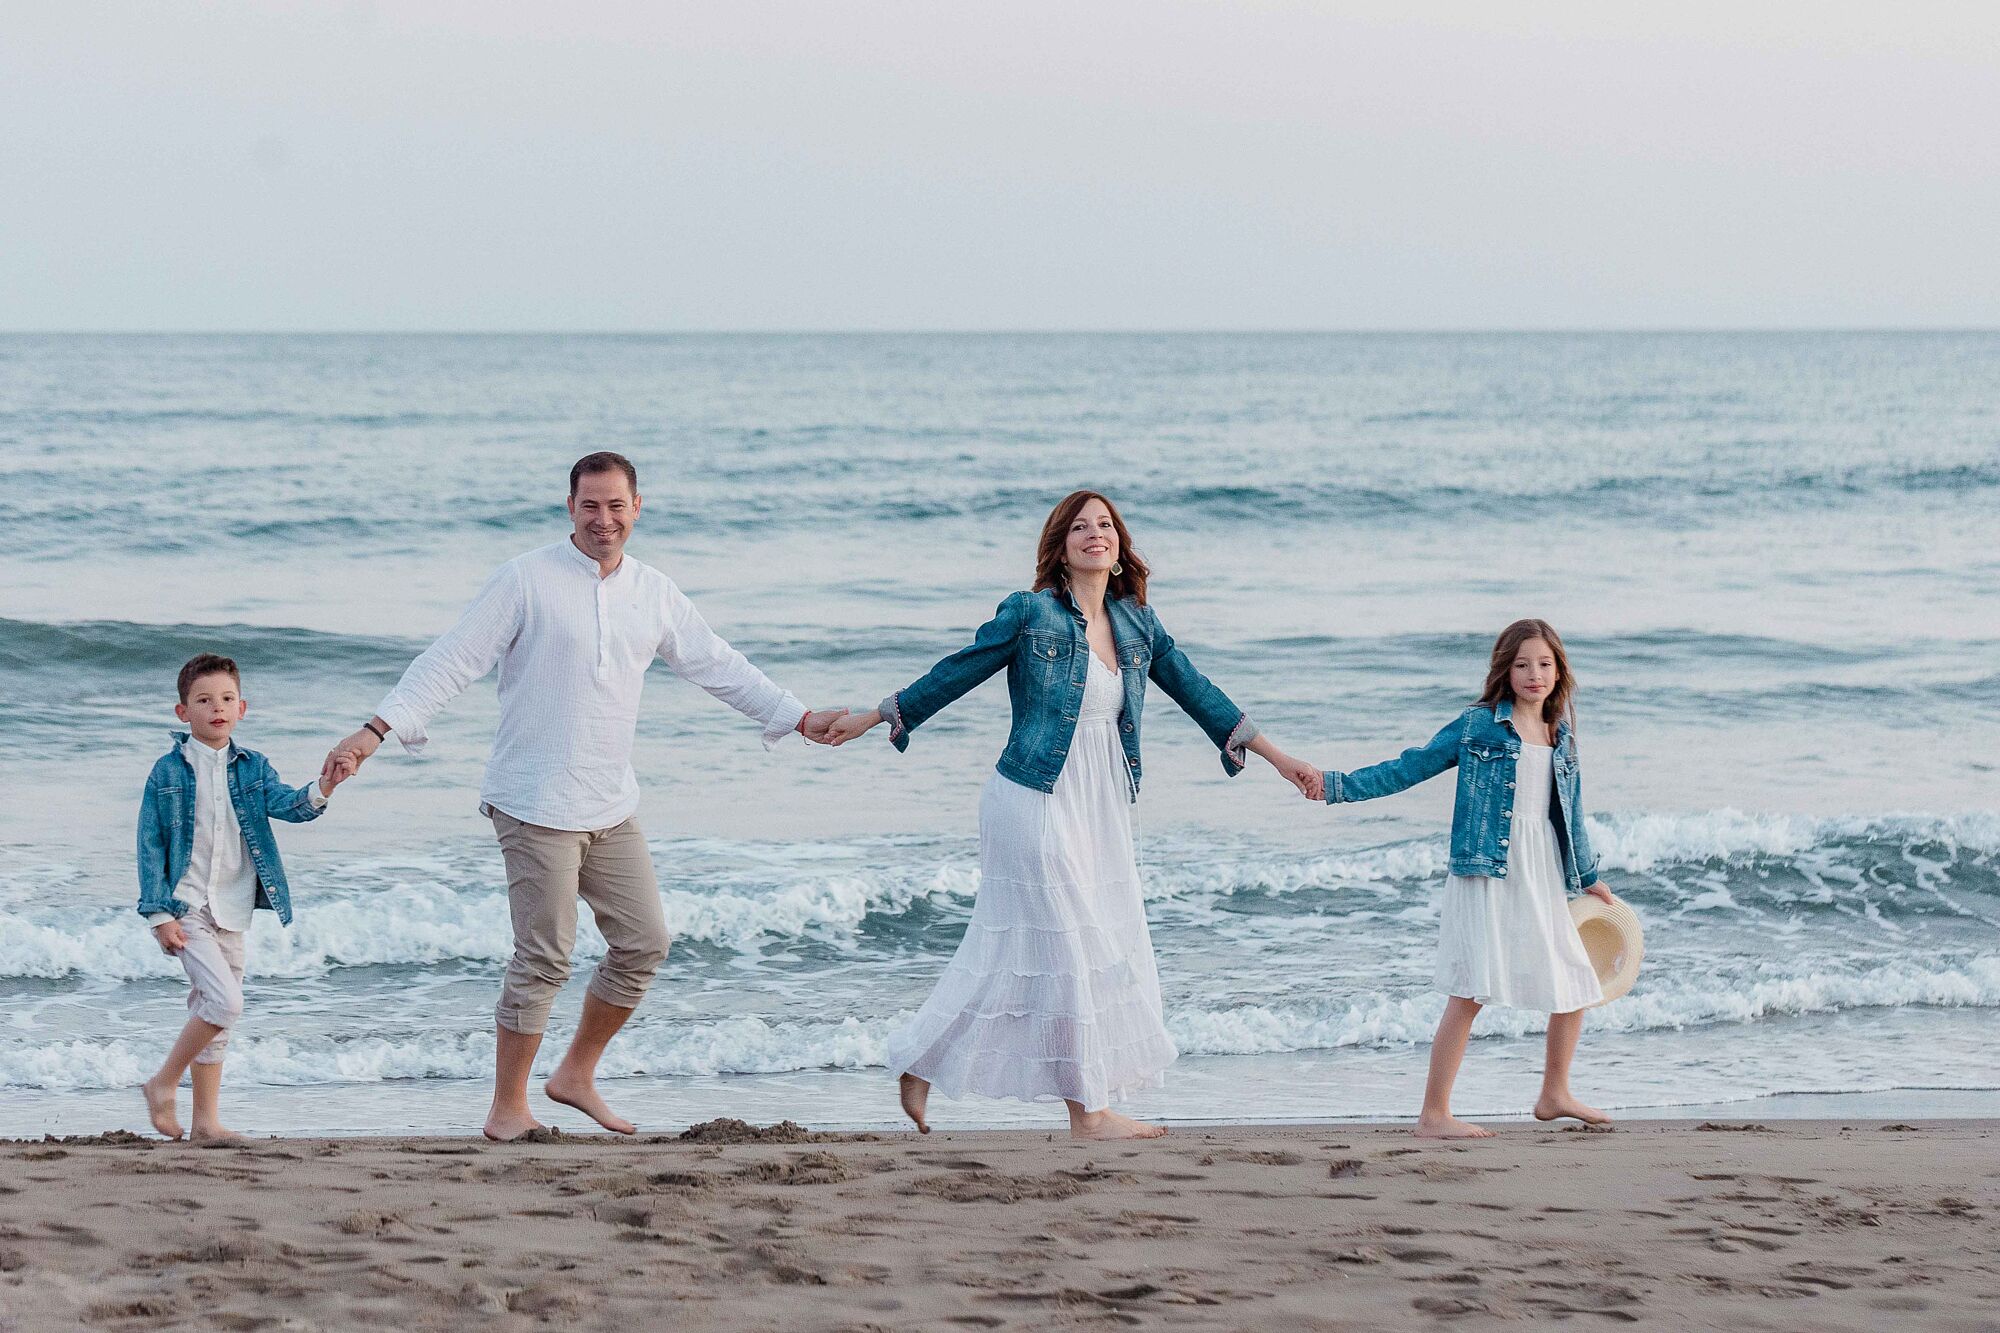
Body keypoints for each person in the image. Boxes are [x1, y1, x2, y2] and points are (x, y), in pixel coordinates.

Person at [323, 452, 847, 1141]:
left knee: (644, 941)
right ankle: (507, 1108)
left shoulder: (654, 592)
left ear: (637, 508)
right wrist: (373, 732)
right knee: (544, 956)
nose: (604, 519)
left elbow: (717, 664)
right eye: (591, 506)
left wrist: (797, 717)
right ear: (570, 507)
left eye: (616, 506)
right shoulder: (524, 579)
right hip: (533, 801)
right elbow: (451, 660)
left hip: (610, 804)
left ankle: (575, 1074)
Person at [825, 490, 1322, 1140]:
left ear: (1119, 547)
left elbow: (1200, 692)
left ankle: (923, 1059)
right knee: (1069, 948)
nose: (1096, 533)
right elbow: (958, 672)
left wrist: (1279, 758)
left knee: (1020, 948)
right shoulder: (1030, 613)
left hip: (1100, 802)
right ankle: (1089, 1113)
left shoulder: (1138, 623)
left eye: (1106, 525)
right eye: (1081, 526)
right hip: (1032, 794)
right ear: (1060, 546)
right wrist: (877, 715)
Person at [1316, 618, 1614, 1138]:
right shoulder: (1479, 725)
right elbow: (1411, 766)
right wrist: (1336, 786)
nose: (1534, 674)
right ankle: (1434, 1113)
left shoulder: (1561, 737)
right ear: (1505, 671)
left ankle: (1554, 1093)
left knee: (1574, 978)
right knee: (1471, 989)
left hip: (1541, 867)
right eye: (1522, 664)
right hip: (1486, 867)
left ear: (1559, 671)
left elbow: (1572, 813)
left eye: (1545, 664)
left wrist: (1588, 875)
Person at [138, 653, 356, 1141]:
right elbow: (149, 843)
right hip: (184, 906)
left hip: (234, 909)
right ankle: (162, 1083)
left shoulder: (253, 767)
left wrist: (325, 785)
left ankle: (205, 1123)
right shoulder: (167, 772)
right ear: (182, 712)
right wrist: (158, 913)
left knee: (213, 1009)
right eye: (203, 700)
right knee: (225, 1002)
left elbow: (289, 806)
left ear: (242, 708)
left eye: (226, 698)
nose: (216, 707)